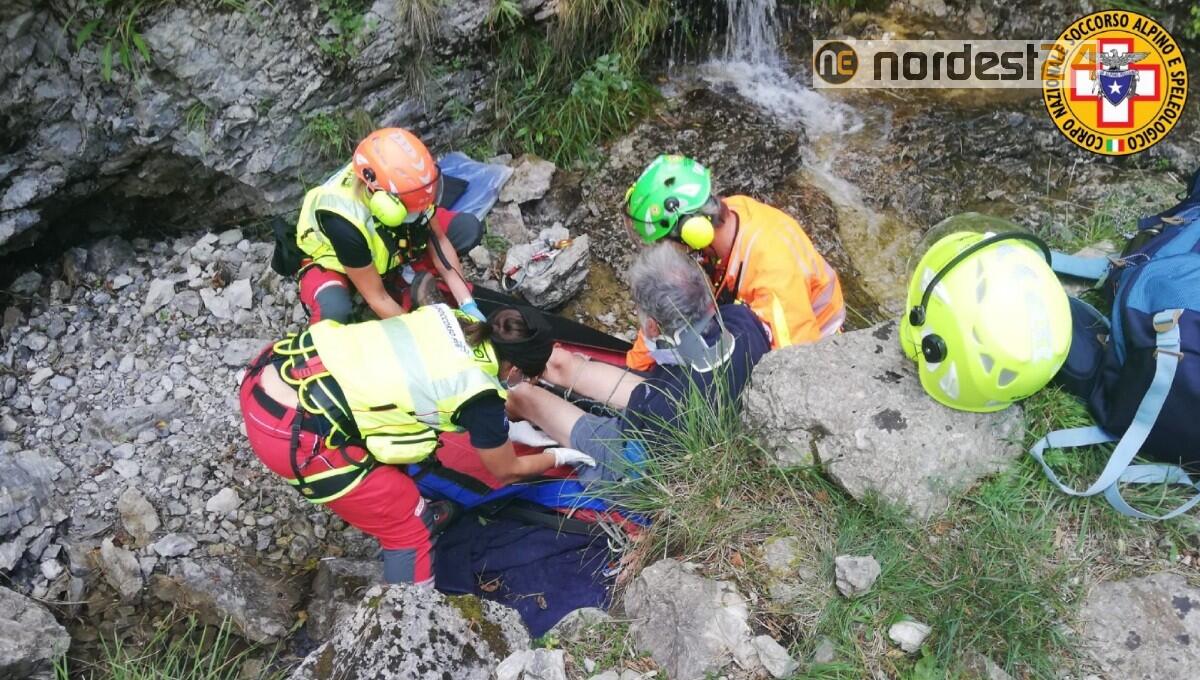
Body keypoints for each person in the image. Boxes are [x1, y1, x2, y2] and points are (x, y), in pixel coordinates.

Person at [238, 303, 595, 585]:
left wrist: (509, 429)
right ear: (515, 370)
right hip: (295, 434)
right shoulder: (481, 399)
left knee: (404, 447)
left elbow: (430, 382)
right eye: (531, 376)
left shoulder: (453, 319)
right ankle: (406, 620)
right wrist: (555, 455)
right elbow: (506, 470)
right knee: (407, 528)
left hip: (277, 369)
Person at [505, 244, 771, 481]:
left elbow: (636, 452)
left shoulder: (658, 406)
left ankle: (512, 403)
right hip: (693, 400)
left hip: (646, 450)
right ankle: (542, 375)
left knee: (523, 395)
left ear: (653, 326)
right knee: (562, 364)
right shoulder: (742, 321)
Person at [622, 154, 845, 371]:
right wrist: (636, 366)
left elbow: (796, 366)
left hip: (814, 342)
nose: (663, 254)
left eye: (662, 243)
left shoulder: (773, 274)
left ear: (691, 233)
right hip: (750, 310)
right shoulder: (726, 217)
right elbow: (662, 303)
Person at [294, 127, 484, 324]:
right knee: (334, 310)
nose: (420, 211)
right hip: (337, 261)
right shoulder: (343, 221)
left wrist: (467, 303)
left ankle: (409, 275)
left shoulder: (410, 184)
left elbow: (440, 242)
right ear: (377, 192)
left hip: (388, 238)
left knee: (466, 229)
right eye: (411, 205)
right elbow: (378, 298)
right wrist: (425, 334)